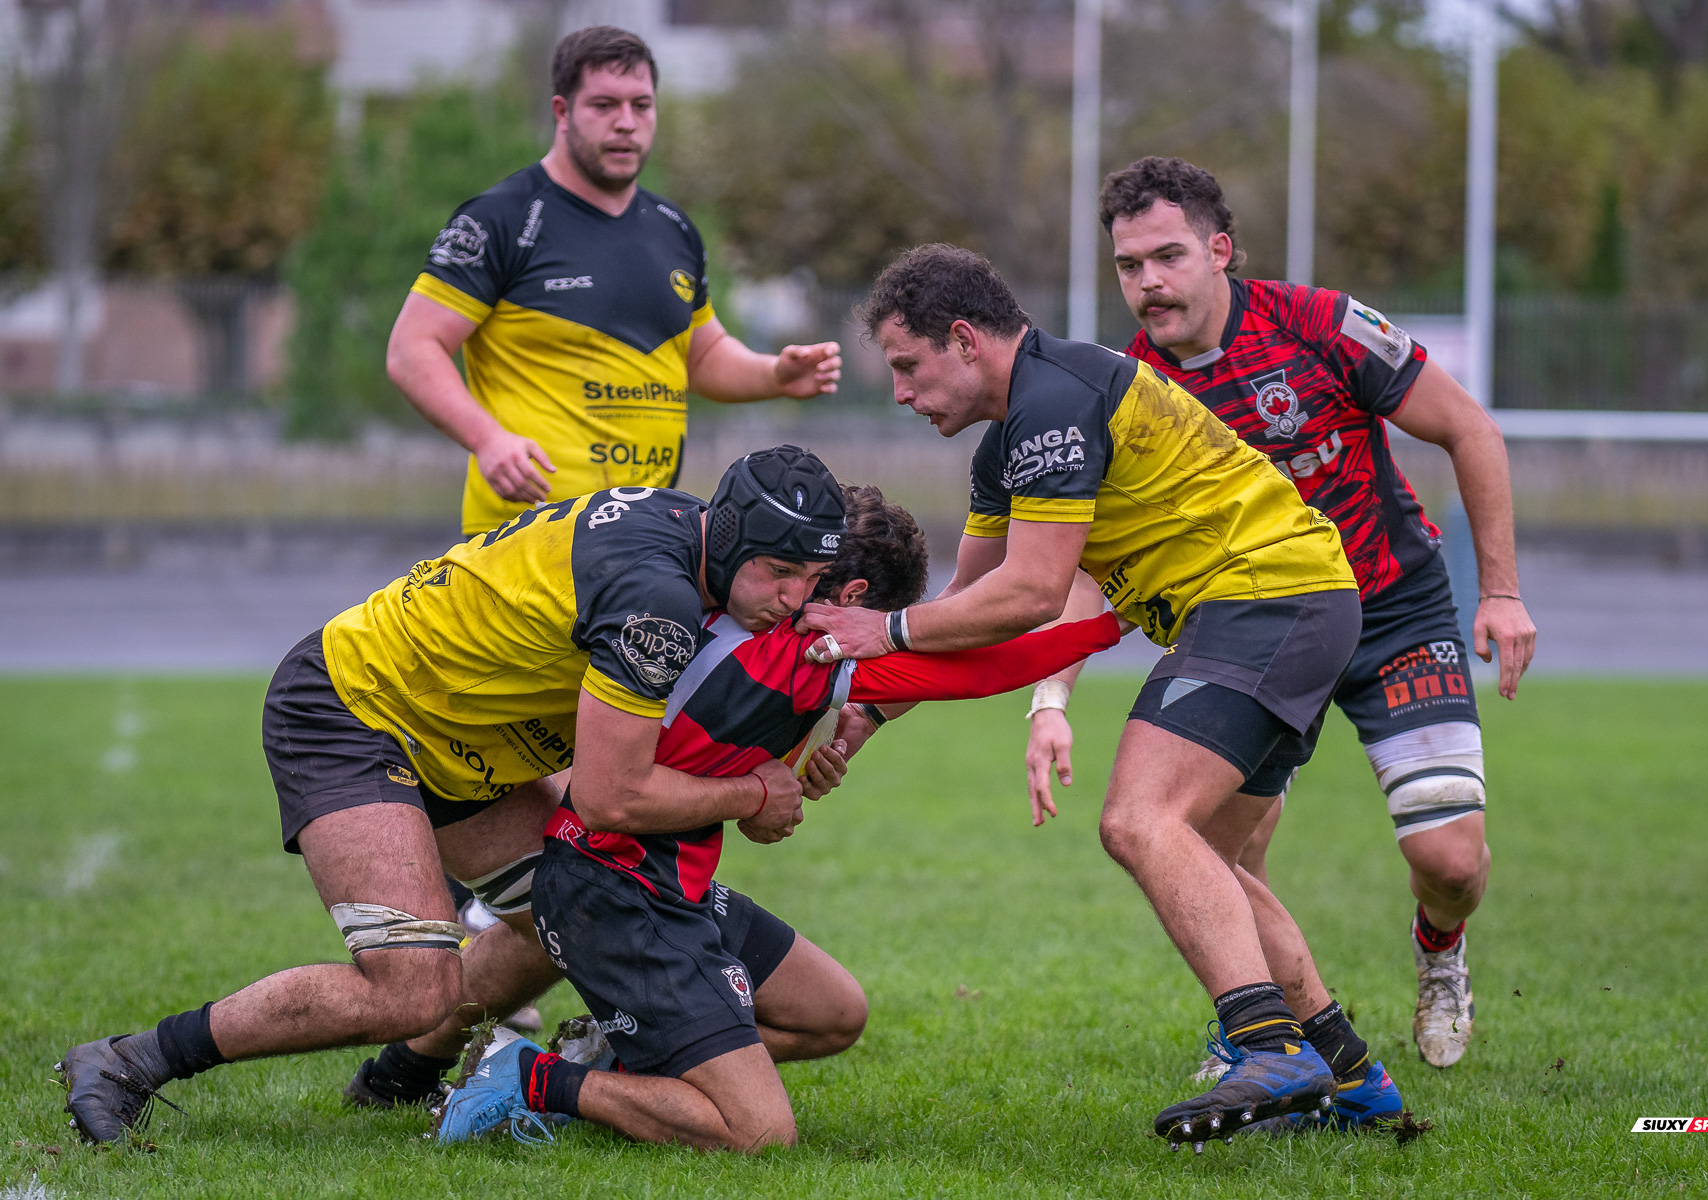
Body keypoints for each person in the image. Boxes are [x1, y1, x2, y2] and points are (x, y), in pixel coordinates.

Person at [55, 445, 850, 1148]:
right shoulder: (660, 598)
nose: (790, 597)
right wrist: (750, 793)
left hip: (460, 740)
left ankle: (405, 1075)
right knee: (412, 985)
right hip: (355, 710)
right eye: (778, 573)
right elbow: (609, 798)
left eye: (809, 580)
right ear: (733, 537)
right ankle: (133, 1060)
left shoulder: (683, 530)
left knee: (573, 903)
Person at [799, 245, 1402, 1147]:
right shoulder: (1013, 437)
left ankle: (1268, 1045)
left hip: (1266, 600)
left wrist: (877, 634)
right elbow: (970, 613)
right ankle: (1354, 1078)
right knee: (1205, 860)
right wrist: (865, 716)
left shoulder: (1052, 402)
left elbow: (1034, 594)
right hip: (1287, 606)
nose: (900, 392)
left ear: (963, 341)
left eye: (906, 365)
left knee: (1139, 820)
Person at [1024, 156, 1537, 1075]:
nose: (1148, 282)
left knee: (1452, 861)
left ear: (1220, 251)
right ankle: (1260, 1034)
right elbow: (1088, 567)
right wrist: (1049, 698)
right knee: (1208, 857)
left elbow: (1470, 428)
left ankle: (1439, 949)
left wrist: (1498, 590)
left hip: (1391, 611)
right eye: (1129, 266)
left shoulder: (1320, 325)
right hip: (1258, 633)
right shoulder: (1128, 393)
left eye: (1167, 257)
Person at [425, 498, 1125, 1152]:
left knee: (833, 1012)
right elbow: (982, 669)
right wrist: (1125, 617)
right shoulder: (804, 653)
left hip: (667, 887)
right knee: (756, 1133)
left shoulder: (725, 611)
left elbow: (749, 790)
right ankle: (532, 1077)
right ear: (851, 601)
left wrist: (794, 773)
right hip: (620, 896)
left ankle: (616, 1057)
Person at [387, 25, 843, 539]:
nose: (626, 123)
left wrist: (774, 376)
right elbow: (412, 349)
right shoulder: (502, 218)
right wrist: (487, 439)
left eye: (641, 105)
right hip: (525, 535)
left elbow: (702, 356)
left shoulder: (674, 229)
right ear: (562, 112)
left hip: (650, 532)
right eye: (604, 105)